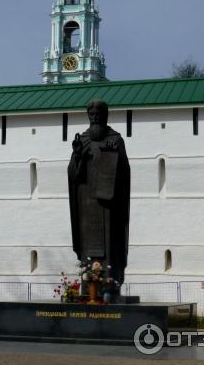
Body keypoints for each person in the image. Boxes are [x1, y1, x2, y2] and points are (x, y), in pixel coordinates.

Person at [67, 100, 130, 286]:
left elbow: (125, 174)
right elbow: (72, 174)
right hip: (86, 203)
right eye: (91, 115)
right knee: (89, 244)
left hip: (109, 205)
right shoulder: (82, 140)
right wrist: (78, 155)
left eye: (98, 115)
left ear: (105, 116)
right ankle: (88, 282)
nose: (95, 118)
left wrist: (114, 157)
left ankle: (110, 283)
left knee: (110, 242)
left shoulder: (116, 140)